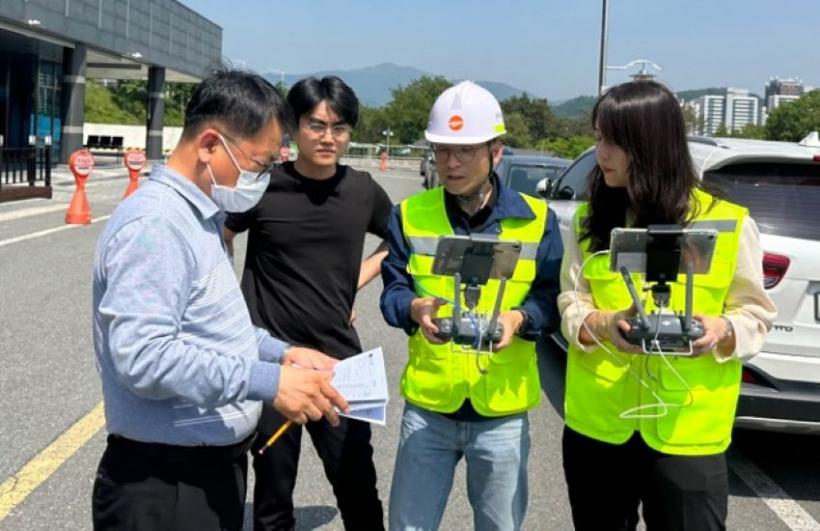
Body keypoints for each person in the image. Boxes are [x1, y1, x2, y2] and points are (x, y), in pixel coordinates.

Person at [91, 70, 349, 531]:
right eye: (258, 165)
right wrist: (269, 382)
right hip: (166, 484)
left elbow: (211, 326)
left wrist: (282, 354)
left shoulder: (200, 215)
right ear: (210, 145)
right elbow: (143, 357)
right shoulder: (156, 226)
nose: (262, 179)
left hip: (204, 471)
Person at [558, 80, 777, 531]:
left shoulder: (729, 224)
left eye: (613, 141)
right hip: (600, 427)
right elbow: (571, 302)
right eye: (598, 138)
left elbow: (756, 315)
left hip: (687, 434)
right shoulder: (590, 220)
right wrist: (604, 323)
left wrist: (720, 330)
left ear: (651, 144)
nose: (600, 152)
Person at [380, 81, 563, 531]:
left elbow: (550, 298)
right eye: (442, 150)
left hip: (501, 412)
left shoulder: (537, 220)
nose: (451, 163)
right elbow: (392, 291)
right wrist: (414, 309)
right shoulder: (410, 215)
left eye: (464, 151)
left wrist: (519, 318)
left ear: (495, 152)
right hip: (429, 409)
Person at [224, 75, 392, 531]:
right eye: (316, 125)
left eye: (339, 127)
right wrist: (225, 304)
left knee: (357, 484)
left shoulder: (362, 190)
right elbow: (221, 235)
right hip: (272, 362)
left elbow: (400, 240)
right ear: (294, 127)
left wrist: (353, 283)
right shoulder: (264, 185)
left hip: (339, 360)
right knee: (273, 490)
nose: (328, 137)